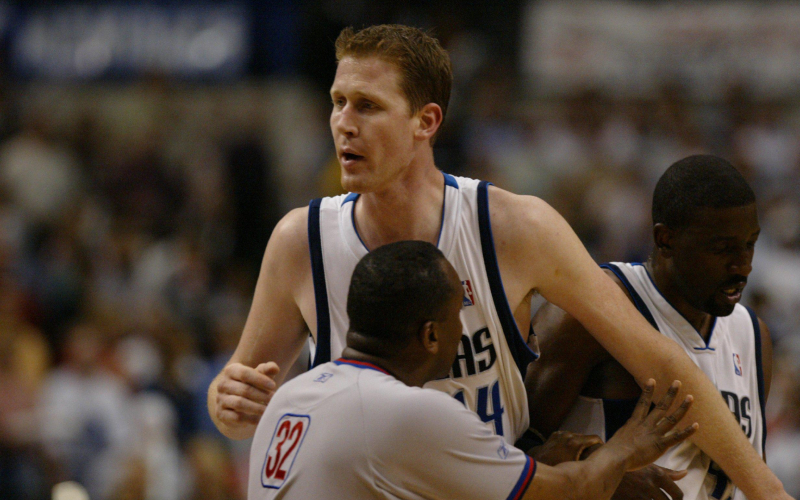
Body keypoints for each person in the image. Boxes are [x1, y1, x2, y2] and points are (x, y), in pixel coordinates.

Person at [208, 24, 792, 500]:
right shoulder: (299, 239)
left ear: (426, 122)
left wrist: (766, 492)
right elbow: (239, 408)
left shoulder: (513, 227)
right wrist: (225, 402)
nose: (343, 123)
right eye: (337, 102)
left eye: (367, 105)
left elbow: (661, 358)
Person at [248, 240, 698, 500]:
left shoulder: (291, 396)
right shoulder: (409, 411)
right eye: (454, 319)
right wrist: (627, 448)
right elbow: (571, 493)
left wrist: (534, 462)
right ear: (429, 335)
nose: (462, 332)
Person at [526, 155, 771, 499]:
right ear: (665, 239)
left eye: (750, 243)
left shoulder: (752, 334)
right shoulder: (592, 308)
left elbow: (752, 476)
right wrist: (600, 472)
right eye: (722, 249)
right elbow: (505, 455)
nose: (743, 265)